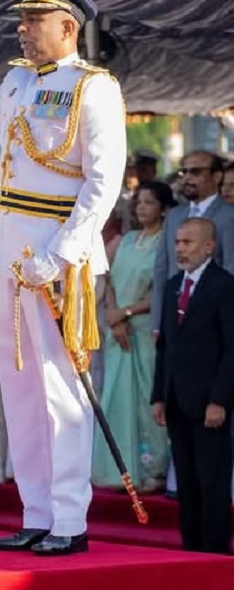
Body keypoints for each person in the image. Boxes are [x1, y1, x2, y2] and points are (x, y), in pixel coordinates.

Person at [0, 0, 127, 554]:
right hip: (10, 248)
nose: (22, 29)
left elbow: (102, 184)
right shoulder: (17, 81)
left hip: (59, 251)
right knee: (19, 388)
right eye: (21, 19)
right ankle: (36, 512)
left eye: (34, 20)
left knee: (61, 389)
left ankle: (68, 520)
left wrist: (60, 254)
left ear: (67, 27)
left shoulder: (93, 88)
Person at [151, 217, 234, 555]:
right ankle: (191, 549)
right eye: (177, 243)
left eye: (188, 243)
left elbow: (231, 349)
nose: (180, 249)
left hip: (208, 402)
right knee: (186, 480)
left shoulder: (224, 286)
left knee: (211, 479)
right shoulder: (173, 285)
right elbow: (165, 346)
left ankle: (214, 550)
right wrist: (159, 396)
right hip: (176, 400)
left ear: (209, 246)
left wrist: (219, 399)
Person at [94, 182, 175, 492]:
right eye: (139, 202)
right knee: (116, 398)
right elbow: (109, 279)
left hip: (144, 329)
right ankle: (119, 470)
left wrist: (126, 313)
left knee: (146, 399)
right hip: (118, 332)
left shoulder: (166, 243)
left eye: (149, 202)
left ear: (164, 208)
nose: (141, 207)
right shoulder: (127, 240)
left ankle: (153, 469)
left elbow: (164, 291)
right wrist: (114, 315)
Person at [152, 151, 234, 334]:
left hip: (212, 321)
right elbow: (161, 269)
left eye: (195, 172)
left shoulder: (229, 216)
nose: (187, 178)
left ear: (216, 177)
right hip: (174, 318)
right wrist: (157, 323)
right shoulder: (174, 216)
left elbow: (231, 268)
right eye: (184, 172)